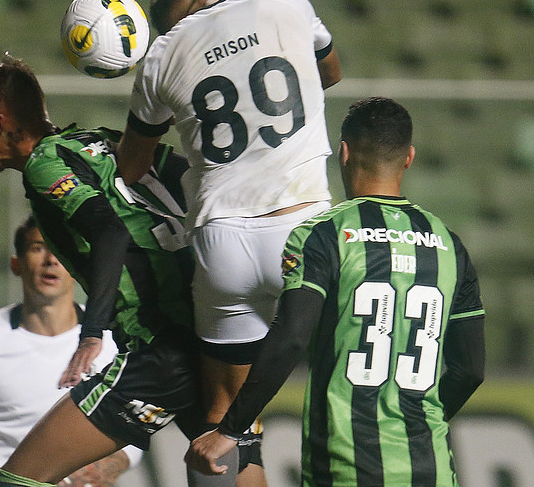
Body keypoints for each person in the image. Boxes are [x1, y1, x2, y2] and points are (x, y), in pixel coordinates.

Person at [0, 54, 241, 487]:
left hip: (158, 349)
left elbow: (109, 232)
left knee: (18, 481)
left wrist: (92, 333)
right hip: (205, 335)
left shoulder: (43, 165)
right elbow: (191, 176)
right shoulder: (101, 140)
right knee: (234, 476)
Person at [185, 97, 486, 486]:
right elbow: (470, 370)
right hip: (431, 468)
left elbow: (292, 337)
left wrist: (231, 429)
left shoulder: (324, 235)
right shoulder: (449, 243)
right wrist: (423, 422)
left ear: (343, 153)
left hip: (346, 466)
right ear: (408, 157)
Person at [116, 0, 343, 483]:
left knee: (226, 420)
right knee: (353, 386)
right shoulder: (286, 2)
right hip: (306, 234)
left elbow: (131, 168)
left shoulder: (162, 55)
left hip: (224, 242)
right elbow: (330, 72)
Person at [0, 216, 141, 486]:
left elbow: (134, 423)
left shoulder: (113, 339)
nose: (51, 260)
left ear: (77, 266)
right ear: (16, 265)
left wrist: (115, 463)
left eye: (60, 250)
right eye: (37, 248)